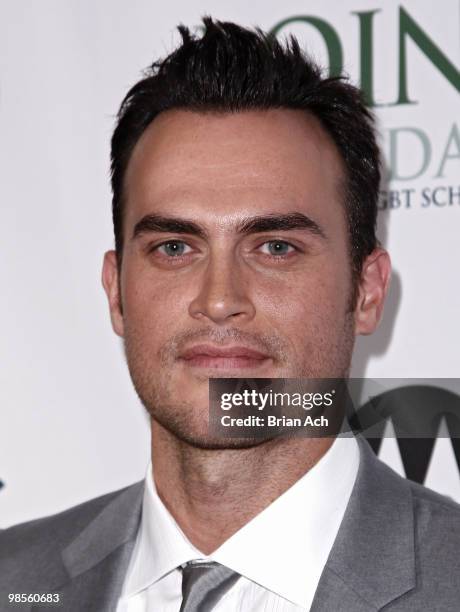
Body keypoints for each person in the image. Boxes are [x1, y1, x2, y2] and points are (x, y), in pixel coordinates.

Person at [1, 17, 460, 612]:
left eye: (275, 247)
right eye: (174, 247)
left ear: (367, 292)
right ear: (116, 292)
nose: (219, 299)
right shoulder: (15, 581)